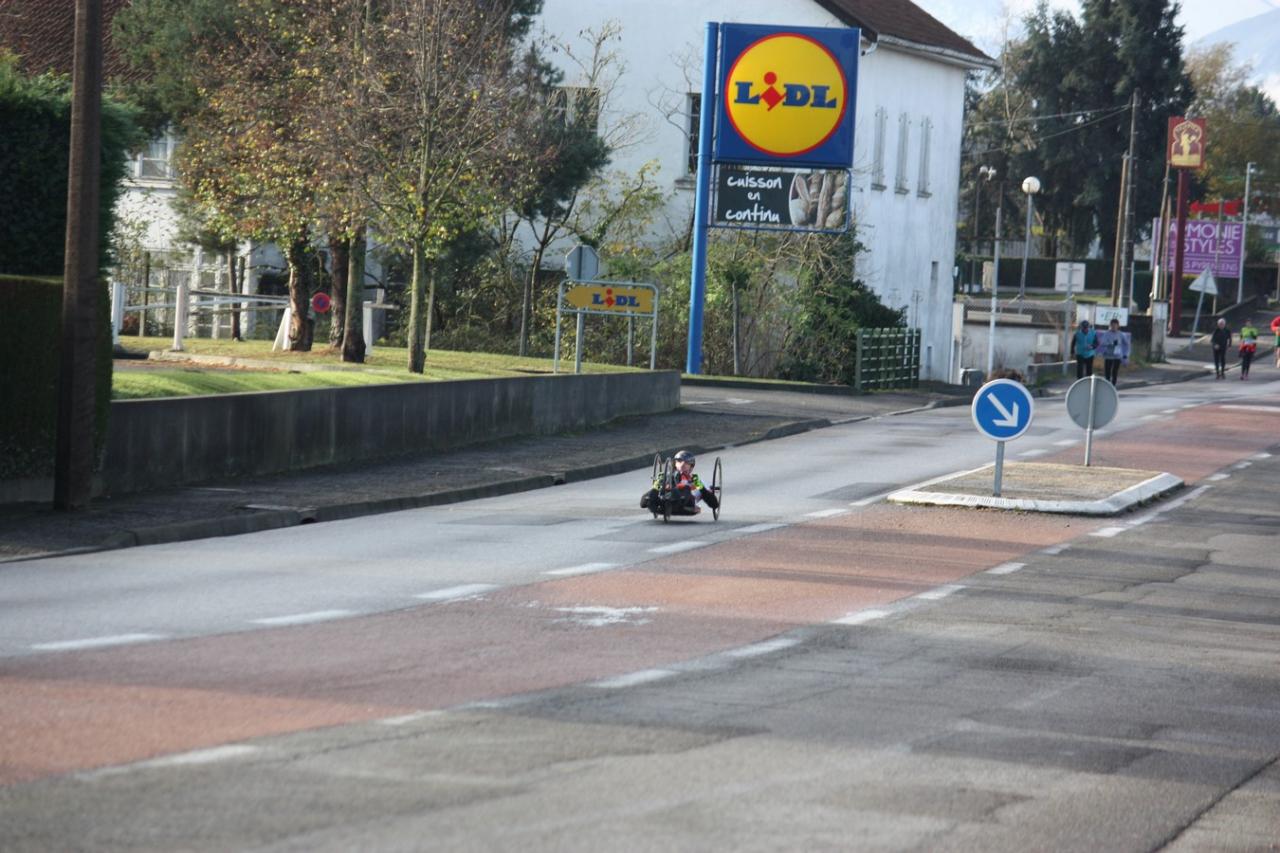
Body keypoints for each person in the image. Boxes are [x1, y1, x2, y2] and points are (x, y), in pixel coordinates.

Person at [641, 450, 719, 516]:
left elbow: (714, 504)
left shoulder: (696, 480)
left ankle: (672, 499)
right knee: (653, 492)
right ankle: (662, 500)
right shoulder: (666, 476)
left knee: (686, 488)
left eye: (686, 463)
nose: (682, 464)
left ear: (691, 466)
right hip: (663, 499)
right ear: (674, 464)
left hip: (685, 503)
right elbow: (643, 503)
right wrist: (658, 485)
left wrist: (701, 487)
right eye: (679, 461)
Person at [1097, 318, 1130, 385]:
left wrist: (1125, 354)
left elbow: (1126, 344)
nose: (1114, 327)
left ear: (1118, 326)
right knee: (1107, 373)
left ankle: (1113, 386)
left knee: (1115, 372)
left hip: (1117, 356)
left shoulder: (1120, 334)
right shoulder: (1107, 333)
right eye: (1112, 325)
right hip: (1108, 356)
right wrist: (1111, 343)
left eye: (1115, 325)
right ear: (1110, 325)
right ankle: (1107, 386)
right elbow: (1102, 343)